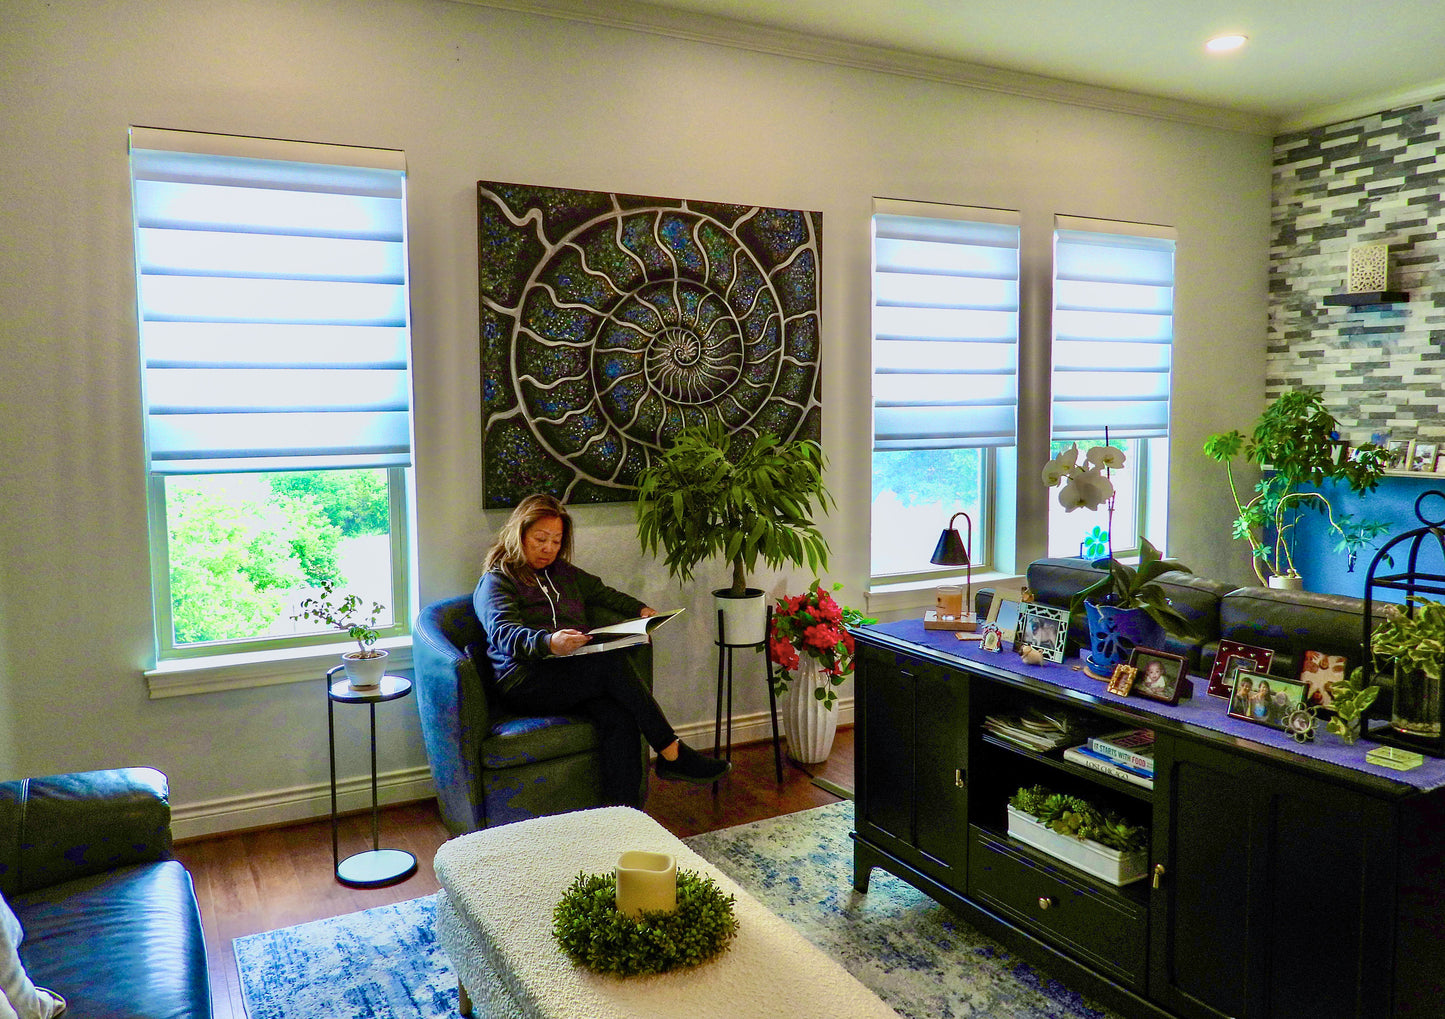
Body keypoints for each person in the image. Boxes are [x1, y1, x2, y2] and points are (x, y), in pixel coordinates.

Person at [473, 494, 729, 805]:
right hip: (523, 681)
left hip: (568, 674)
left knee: (619, 715)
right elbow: (504, 634)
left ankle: (623, 815)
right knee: (610, 665)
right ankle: (672, 752)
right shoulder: (498, 580)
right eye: (540, 539)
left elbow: (602, 593)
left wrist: (641, 611)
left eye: (556, 541)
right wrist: (549, 642)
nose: (548, 548)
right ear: (520, 534)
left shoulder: (562, 572)